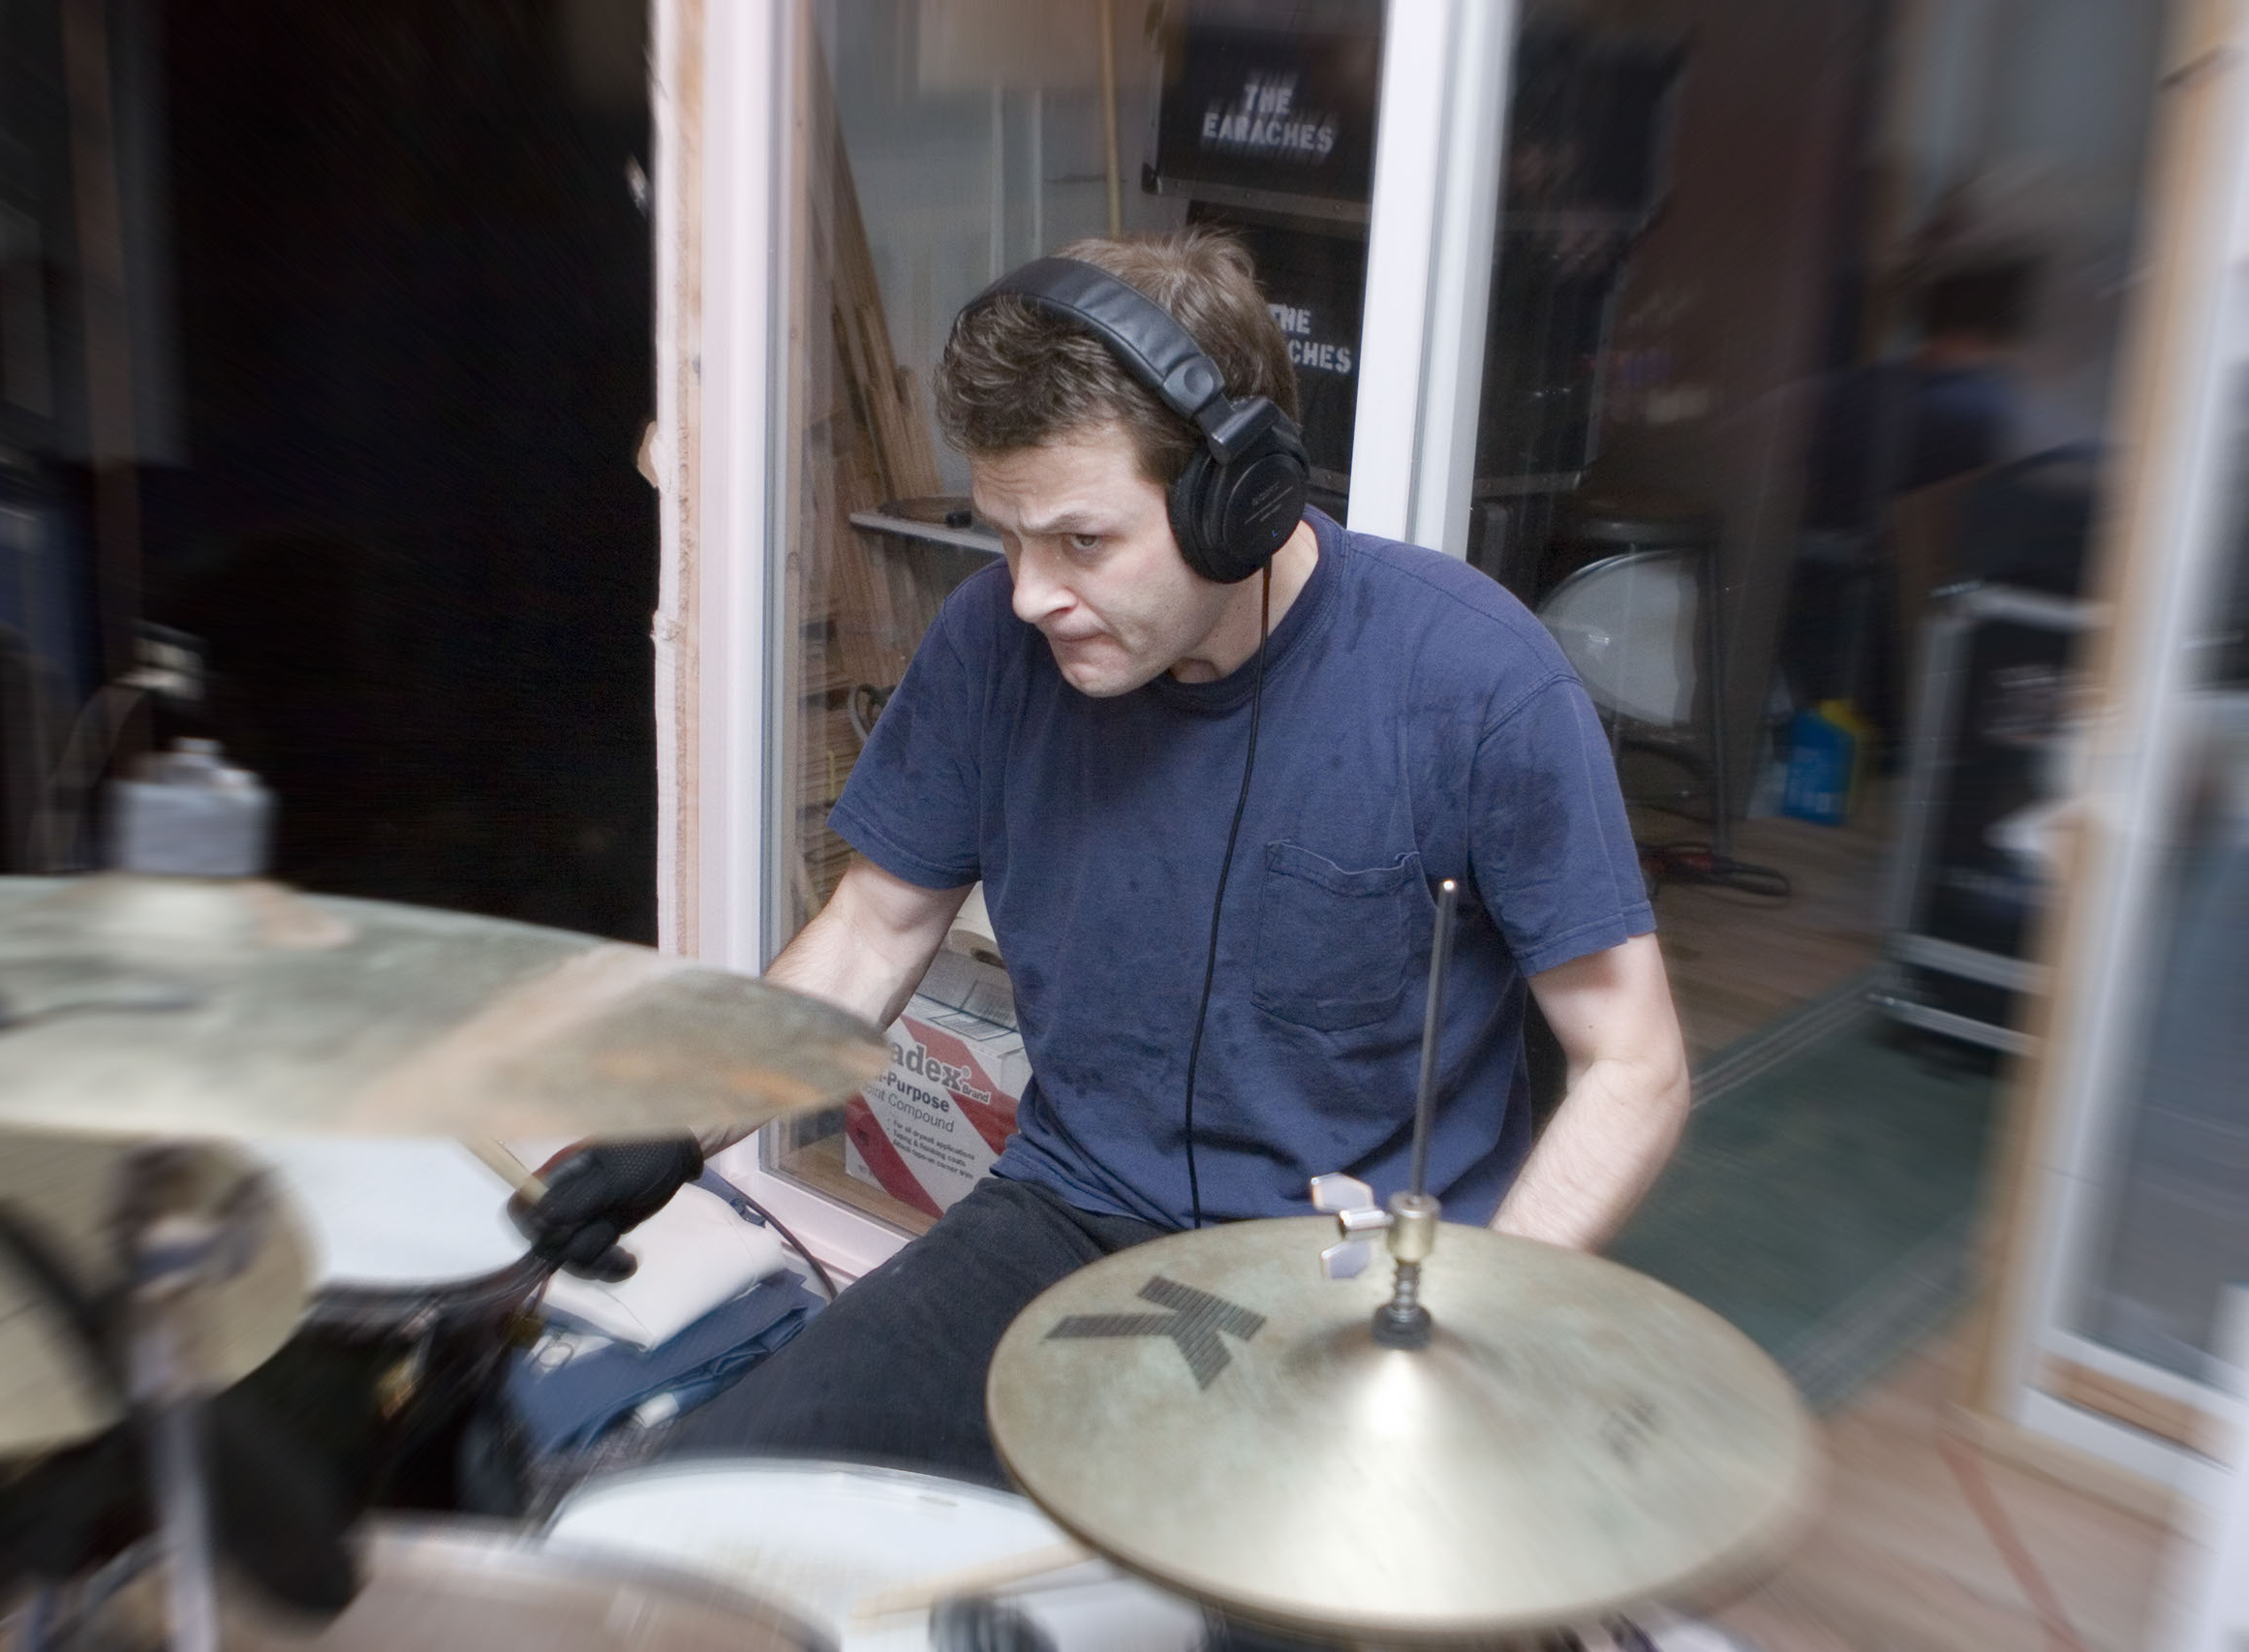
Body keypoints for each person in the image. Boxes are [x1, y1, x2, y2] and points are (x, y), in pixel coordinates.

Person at [526, 227, 1689, 1484]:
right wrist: (677, 1123)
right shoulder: (990, 645)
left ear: (1238, 503)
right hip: (1064, 1220)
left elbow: (1633, 1065)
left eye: (1082, 542)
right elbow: (873, 929)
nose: (1030, 593)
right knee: (699, 1505)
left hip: (1350, 1279)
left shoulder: (1474, 682)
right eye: (1007, 536)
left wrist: (1458, 1327)